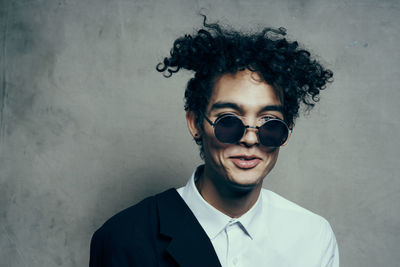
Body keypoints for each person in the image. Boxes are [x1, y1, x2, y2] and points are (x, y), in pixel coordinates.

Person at [89, 16, 339, 267]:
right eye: (229, 121)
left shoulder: (313, 237)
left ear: (287, 133)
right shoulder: (123, 239)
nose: (250, 139)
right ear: (196, 123)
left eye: (270, 124)